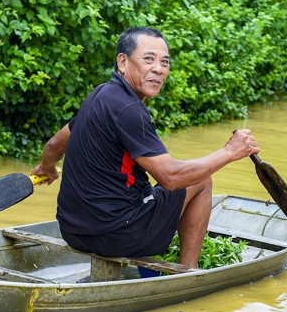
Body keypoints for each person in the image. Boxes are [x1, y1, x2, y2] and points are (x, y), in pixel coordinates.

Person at [31, 27, 259, 267]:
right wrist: (229, 152)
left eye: (164, 62)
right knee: (200, 180)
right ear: (122, 62)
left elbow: (55, 144)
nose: (158, 69)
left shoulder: (99, 95)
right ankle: (187, 272)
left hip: (71, 231)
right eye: (149, 59)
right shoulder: (130, 110)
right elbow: (171, 178)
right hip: (118, 235)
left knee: (180, 172)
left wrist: (47, 167)